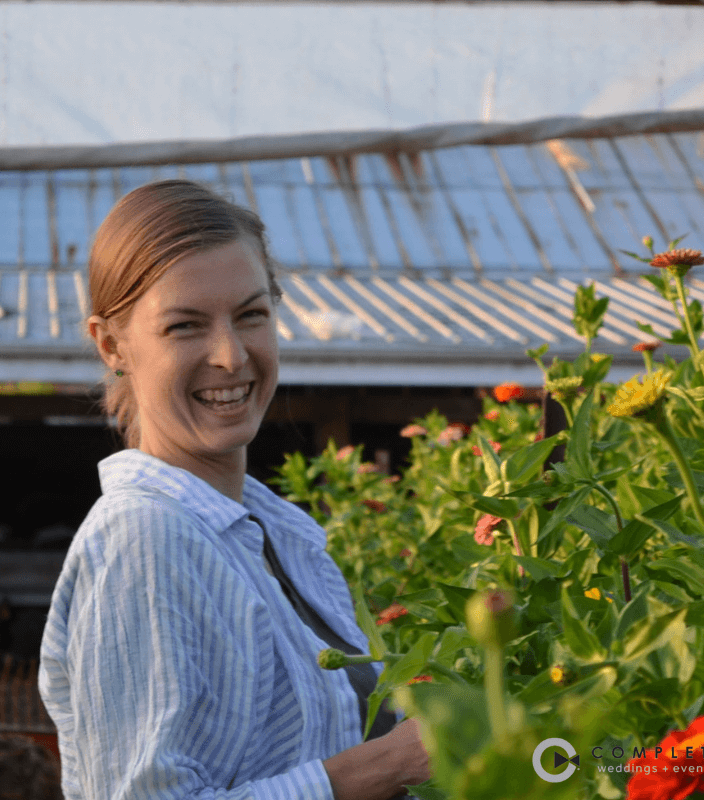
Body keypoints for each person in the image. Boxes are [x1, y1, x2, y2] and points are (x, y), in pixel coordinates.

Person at [39, 179, 431, 800]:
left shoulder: (272, 531)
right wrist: (384, 766)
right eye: (185, 326)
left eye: (251, 315)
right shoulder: (144, 539)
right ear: (111, 345)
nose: (230, 355)